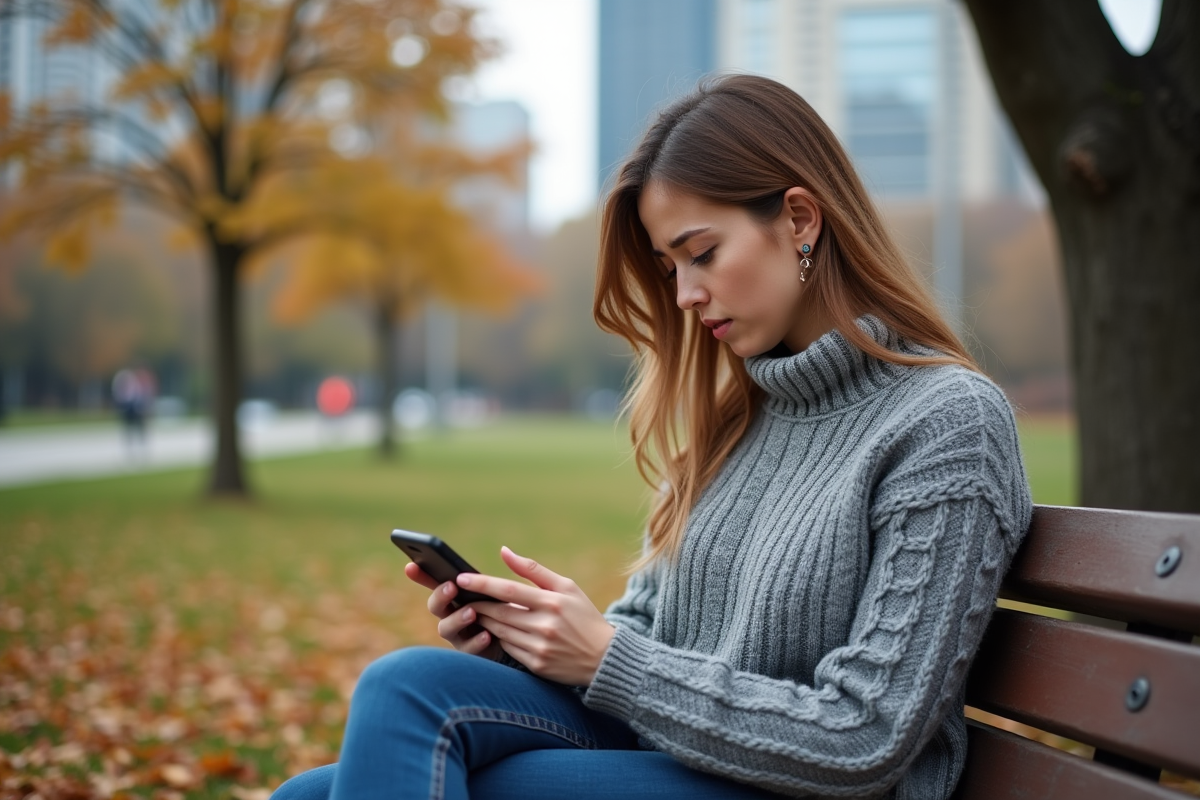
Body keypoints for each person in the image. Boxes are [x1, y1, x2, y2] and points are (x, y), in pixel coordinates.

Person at [271, 74, 1032, 800]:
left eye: (701, 254)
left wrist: (606, 657)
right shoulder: (736, 422)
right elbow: (646, 638)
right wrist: (536, 642)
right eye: (670, 266)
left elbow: (867, 735)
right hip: (680, 761)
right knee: (374, 721)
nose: (684, 294)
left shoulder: (946, 422)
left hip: (812, 787)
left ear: (800, 218)